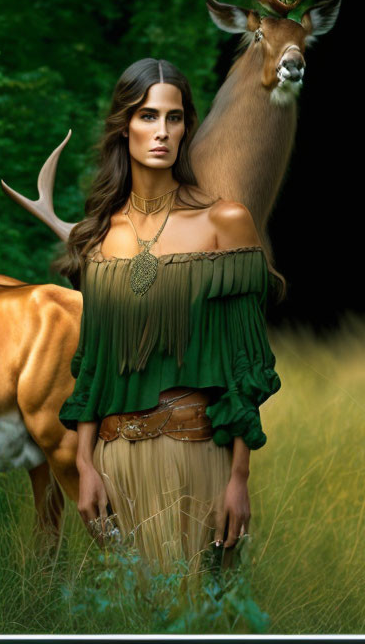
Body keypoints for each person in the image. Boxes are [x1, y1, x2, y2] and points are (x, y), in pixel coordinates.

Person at [56, 58, 280, 575]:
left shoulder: (225, 222)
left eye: (174, 118)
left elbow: (245, 367)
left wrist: (239, 477)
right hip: (114, 466)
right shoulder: (96, 238)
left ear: (187, 127)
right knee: (126, 618)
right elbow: (93, 368)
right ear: (123, 125)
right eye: (147, 116)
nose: (162, 132)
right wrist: (86, 467)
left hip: (198, 455)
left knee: (199, 615)